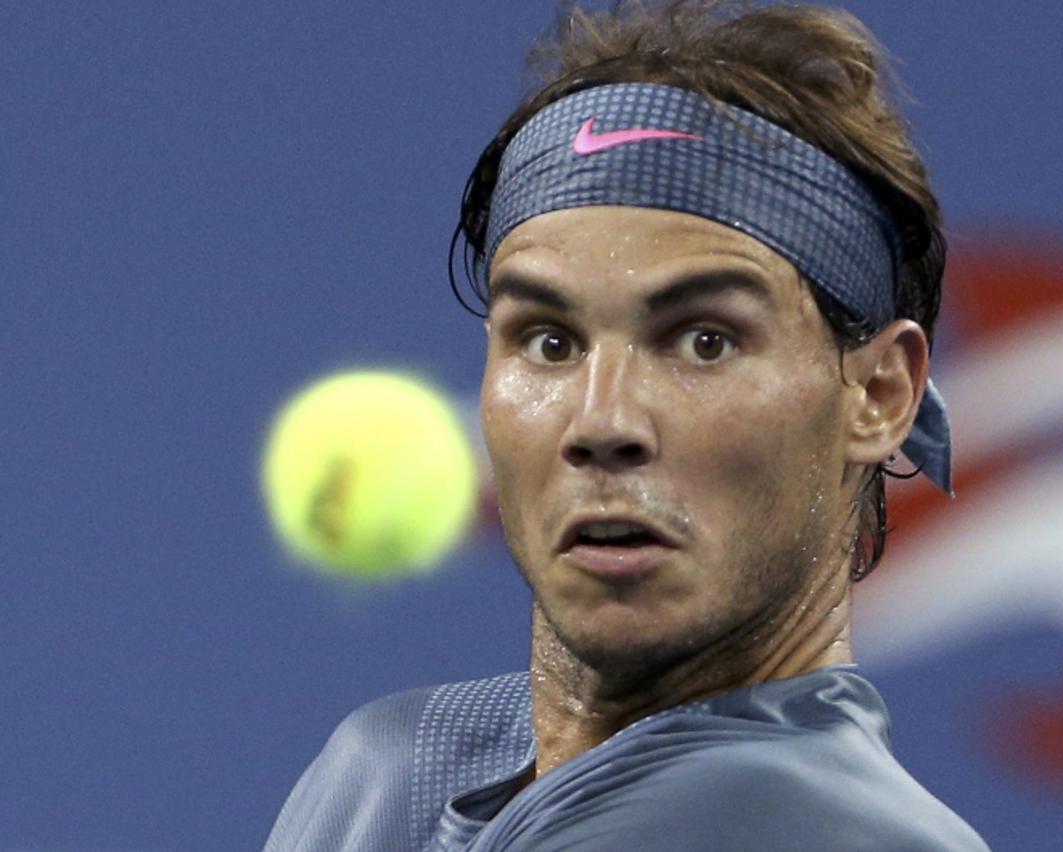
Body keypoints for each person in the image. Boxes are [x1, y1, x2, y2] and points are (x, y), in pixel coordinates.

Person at [266, 1, 987, 848]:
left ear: (880, 396)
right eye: (549, 341)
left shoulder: (819, 832)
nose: (602, 421)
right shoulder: (387, 766)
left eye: (704, 342)